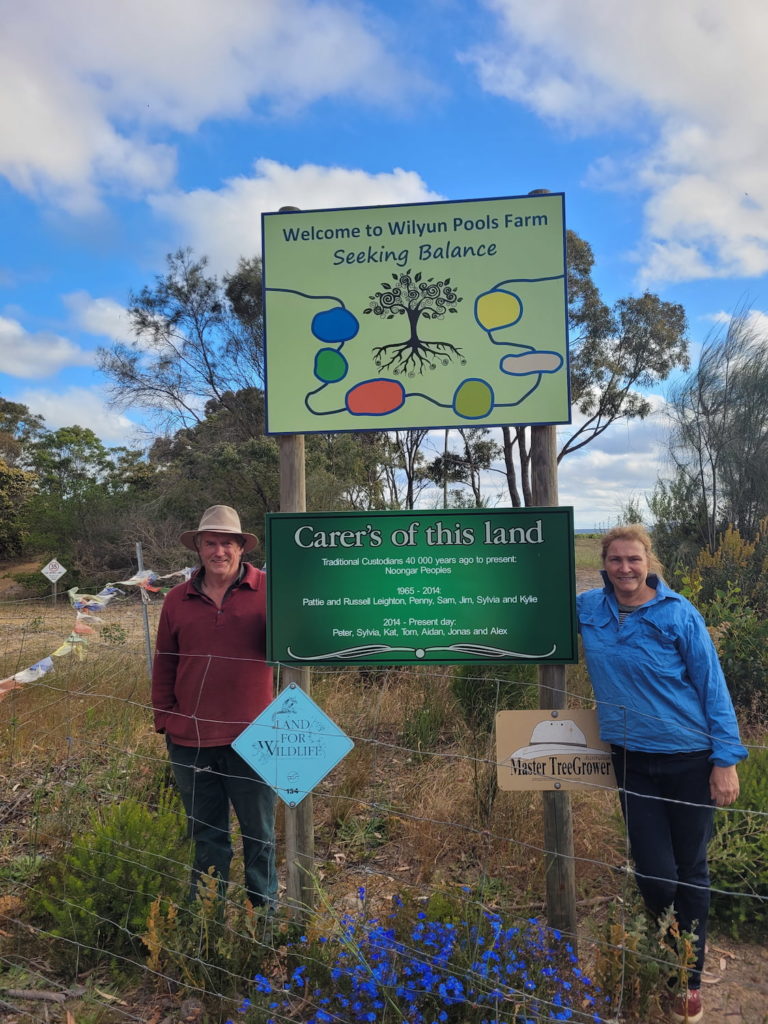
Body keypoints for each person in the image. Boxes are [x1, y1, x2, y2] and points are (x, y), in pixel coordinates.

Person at [576, 525, 747, 1024]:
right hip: (630, 760)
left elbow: (711, 685)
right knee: (653, 874)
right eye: (615, 560)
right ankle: (671, 947)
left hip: (689, 759)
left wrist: (725, 759)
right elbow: (533, 614)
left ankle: (684, 981)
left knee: (691, 869)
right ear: (603, 563)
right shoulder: (590, 610)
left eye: (634, 560)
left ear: (649, 562)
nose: (625, 569)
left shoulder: (677, 613)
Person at [152, 505, 277, 911]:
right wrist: (165, 719)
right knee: (206, 836)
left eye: (227, 542)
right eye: (210, 543)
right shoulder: (176, 599)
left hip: (254, 739)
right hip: (190, 741)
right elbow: (166, 661)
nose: (218, 550)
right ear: (199, 548)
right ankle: (207, 921)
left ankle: (265, 921)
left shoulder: (272, 591)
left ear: (241, 547)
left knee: (259, 835)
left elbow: (302, 646)